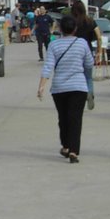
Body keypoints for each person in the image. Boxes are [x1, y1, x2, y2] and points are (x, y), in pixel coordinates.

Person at [37, 14, 94, 164]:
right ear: (75, 28)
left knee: (63, 118)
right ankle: (74, 151)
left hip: (59, 88)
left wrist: (41, 86)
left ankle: (66, 146)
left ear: (60, 29)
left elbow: (48, 66)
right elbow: (89, 63)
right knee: (75, 119)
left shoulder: (54, 45)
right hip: (79, 87)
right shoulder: (82, 43)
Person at [71, 0, 104, 110]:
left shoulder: (71, 22)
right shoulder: (90, 21)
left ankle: (77, 99)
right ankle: (89, 93)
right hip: (87, 52)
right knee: (88, 77)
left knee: (75, 77)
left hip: (74, 53)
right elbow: (99, 36)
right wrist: (99, 51)